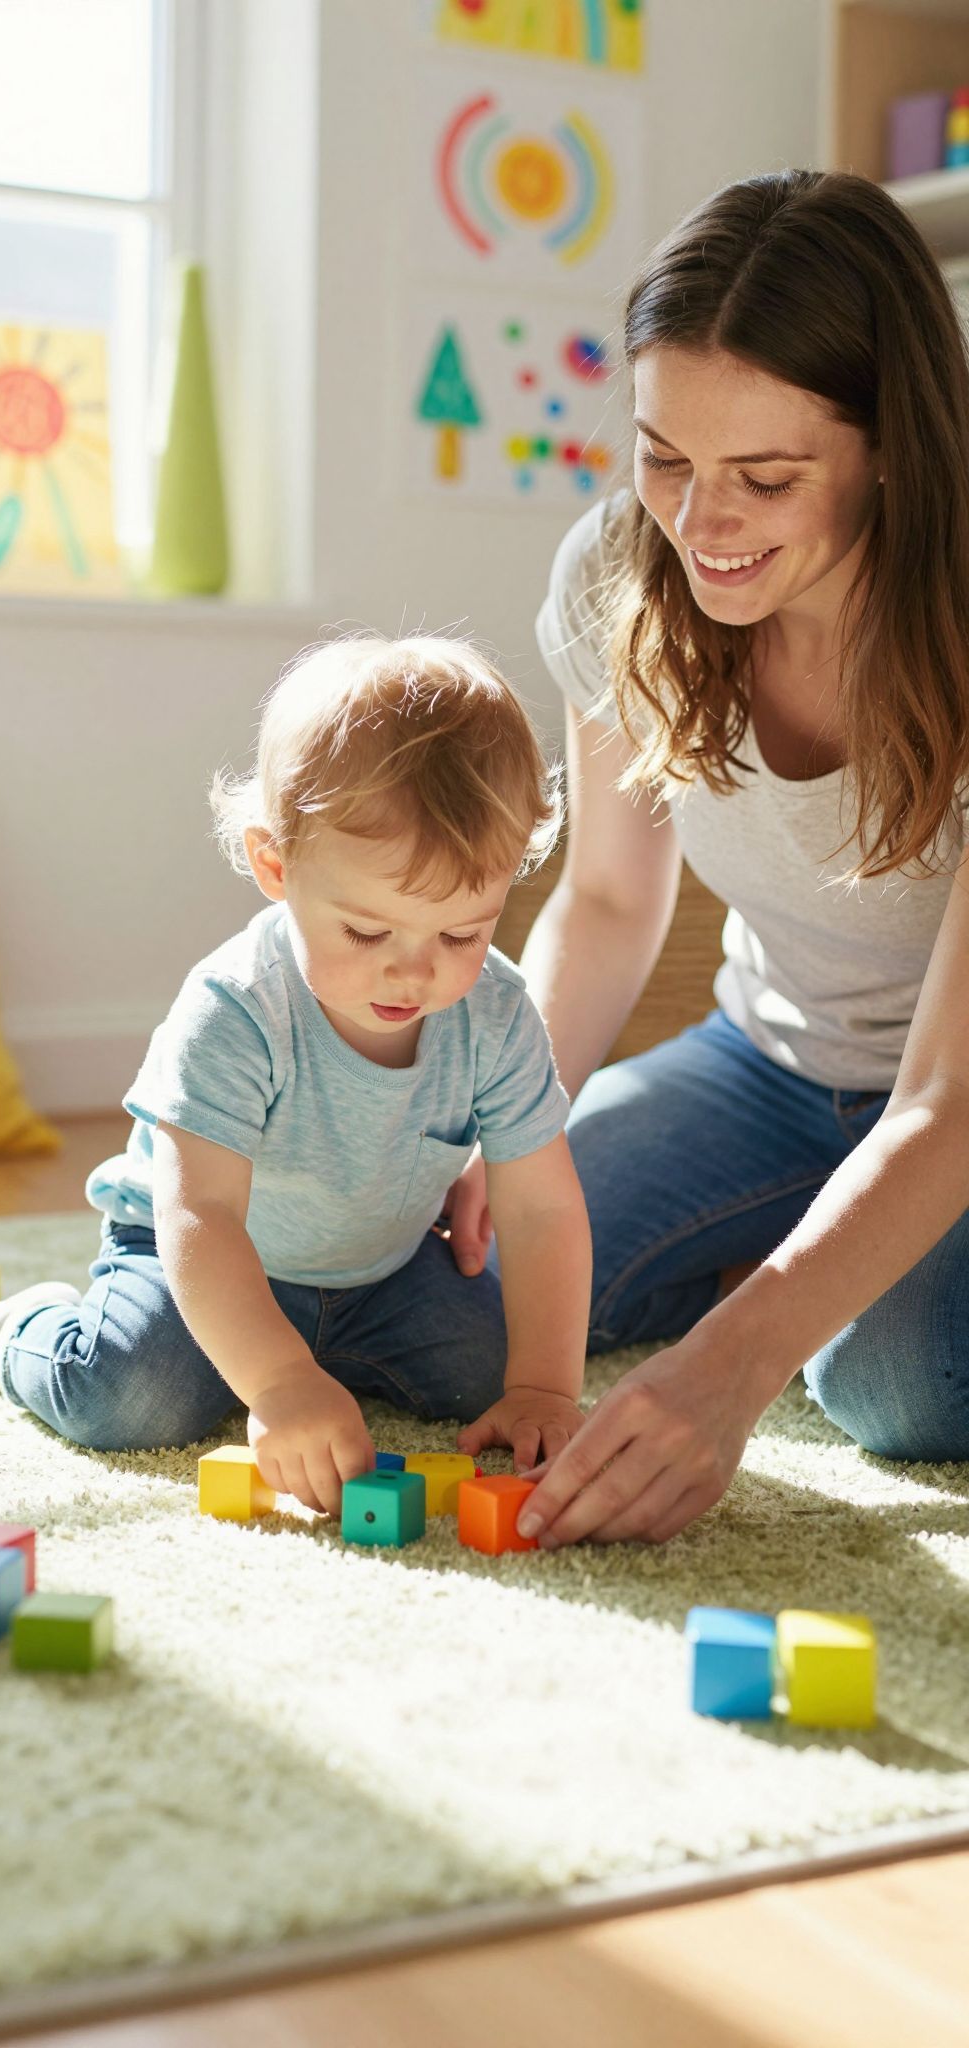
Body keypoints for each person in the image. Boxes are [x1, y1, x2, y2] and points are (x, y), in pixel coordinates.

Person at [441, 167, 969, 1549]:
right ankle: (784, 1252)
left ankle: (781, 1276)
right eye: (664, 456)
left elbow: (947, 1097)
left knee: (896, 1380)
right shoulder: (620, 574)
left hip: (954, 1103)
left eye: (767, 478)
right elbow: (612, 899)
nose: (699, 524)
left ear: (891, 448)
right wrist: (507, 1128)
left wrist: (738, 1364)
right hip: (770, 1063)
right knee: (472, 1283)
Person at [0, 636, 592, 1513]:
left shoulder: (498, 1013)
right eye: (367, 932)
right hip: (198, 1258)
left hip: (382, 1273)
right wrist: (278, 1382)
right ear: (276, 866)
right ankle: (26, 1331)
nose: (414, 972)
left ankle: (327, 1362)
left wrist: (545, 1387)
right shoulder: (237, 1007)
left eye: (461, 933)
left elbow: (543, 1208)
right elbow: (199, 1214)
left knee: (490, 1374)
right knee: (127, 1397)